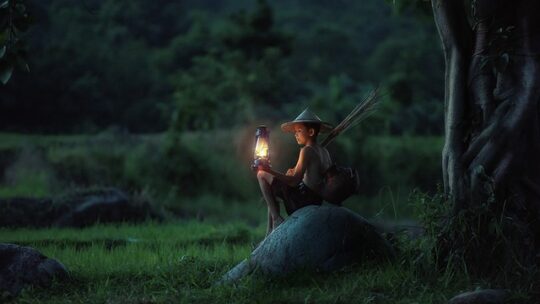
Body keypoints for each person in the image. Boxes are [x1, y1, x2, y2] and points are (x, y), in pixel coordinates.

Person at [256, 108, 333, 236]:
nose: (295, 134)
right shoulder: (324, 152)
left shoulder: (306, 150)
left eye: (299, 130)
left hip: (302, 200)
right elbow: (312, 177)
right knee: (272, 190)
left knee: (261, 174)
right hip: (316, 200)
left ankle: (276, 219)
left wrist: (270, 171)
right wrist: (292, 173)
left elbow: (294, 182)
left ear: (311, 131)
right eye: (295, 131)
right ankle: (269, 232)